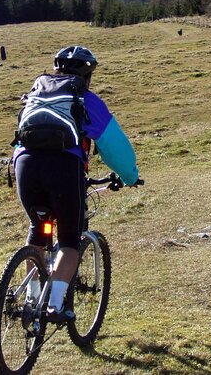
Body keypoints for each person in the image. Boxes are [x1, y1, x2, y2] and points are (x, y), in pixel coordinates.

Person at [11, 46, 140, 323]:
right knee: (70, 240)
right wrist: (130, 176)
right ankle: (54, 306)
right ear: (87, 75)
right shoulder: (85, 99)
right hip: (63, 169)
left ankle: (32, 299)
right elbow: (114, 146)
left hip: (25, 167)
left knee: (38, 229)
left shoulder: (36, 95)